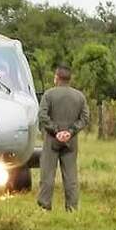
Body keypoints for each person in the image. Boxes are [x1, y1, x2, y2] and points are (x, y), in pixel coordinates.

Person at [37, 65, 90, 211]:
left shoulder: (49, 95)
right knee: (71, 176)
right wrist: (70, 132)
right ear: (69, 79)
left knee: (47, 175)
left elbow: (42, 115)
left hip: (51, 140)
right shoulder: (79, 96)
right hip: (71, 141)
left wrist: (56, 131)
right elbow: (85, 118)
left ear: (57, 77)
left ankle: (45, 206)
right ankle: (72, 207)